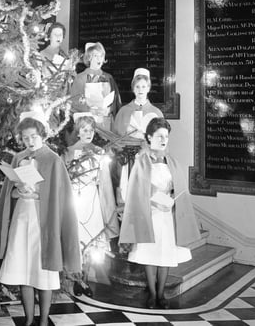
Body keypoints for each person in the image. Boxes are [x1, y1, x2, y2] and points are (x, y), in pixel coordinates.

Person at [0, 111, 80, 326]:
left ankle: (44, 319)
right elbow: (9, 194)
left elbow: (60, 196)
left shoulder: (53, 160)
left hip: (42, 221)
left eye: (34, 137)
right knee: (24, 271)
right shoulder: (18, 158)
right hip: (22, 218)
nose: (30, 141)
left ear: (43, 135)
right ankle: (29, 319)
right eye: (26, 137)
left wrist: (38, 194)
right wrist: (17, 192)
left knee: (42, 273)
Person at [119, 117, 200, 309]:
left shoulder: (171, 161)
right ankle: (152, 294)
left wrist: (172, 197)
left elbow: (177, 187)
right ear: (149, 137)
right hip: (150, 215)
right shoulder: (141, 161)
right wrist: (150, 198)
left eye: (166, 136)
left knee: (165, 255)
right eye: (159, 136)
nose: (164, 140)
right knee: (149, 254)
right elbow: (135, 190)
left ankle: (161, 293)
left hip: (166, 216)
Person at [62, 113, 119, 297]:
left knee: (91, 241)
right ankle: (74, 279)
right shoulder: (67, 152)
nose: (88, 133)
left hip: (92, 199)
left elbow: (103, 182)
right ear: (78, 132)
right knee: (75, 239)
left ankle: (84, 279)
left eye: (91, 130)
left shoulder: (99, 152)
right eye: (84, 130)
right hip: (74, 200)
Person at [113, 68, 163, 202]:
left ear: (148, 88)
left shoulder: (156, 112)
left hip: (148, 161)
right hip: (127, 161)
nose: (140, 90)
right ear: (133, 89)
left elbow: (162, 142)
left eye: (144, 86)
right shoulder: (124, 112)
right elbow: (116, 138)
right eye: (137, 86)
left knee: (146, 197)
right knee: (128, 196)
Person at [69, 42, 121, 130]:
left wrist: (108, 109)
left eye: (101, 56)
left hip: (106, 123)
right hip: (87, 124)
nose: (99, 59)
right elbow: (74, 101)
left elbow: (116, 102)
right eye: (95, 56)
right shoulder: (80, 78)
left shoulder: (108, 78)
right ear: (89, 58)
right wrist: (90, 109)